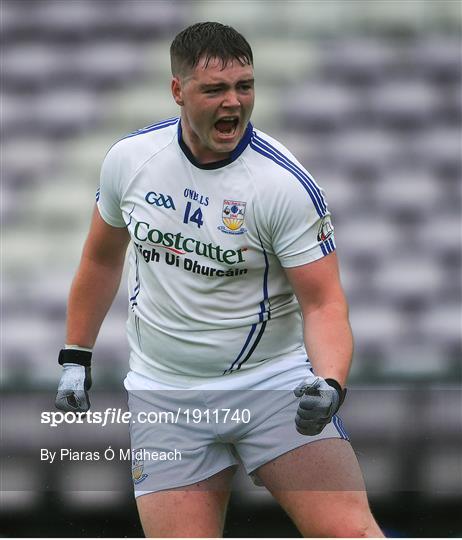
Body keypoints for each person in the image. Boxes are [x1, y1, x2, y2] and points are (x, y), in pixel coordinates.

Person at [55, 22, 384, 538]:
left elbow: (323, 304)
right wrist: (76, 356)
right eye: (214, 89)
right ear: (177, 91)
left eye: (244, 86)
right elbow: (100, 260)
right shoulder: (130, 160)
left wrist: (331, 383)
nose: (233, 102)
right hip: (165, 394)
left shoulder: (283, 185)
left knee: (352, 535)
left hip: (270, 386)